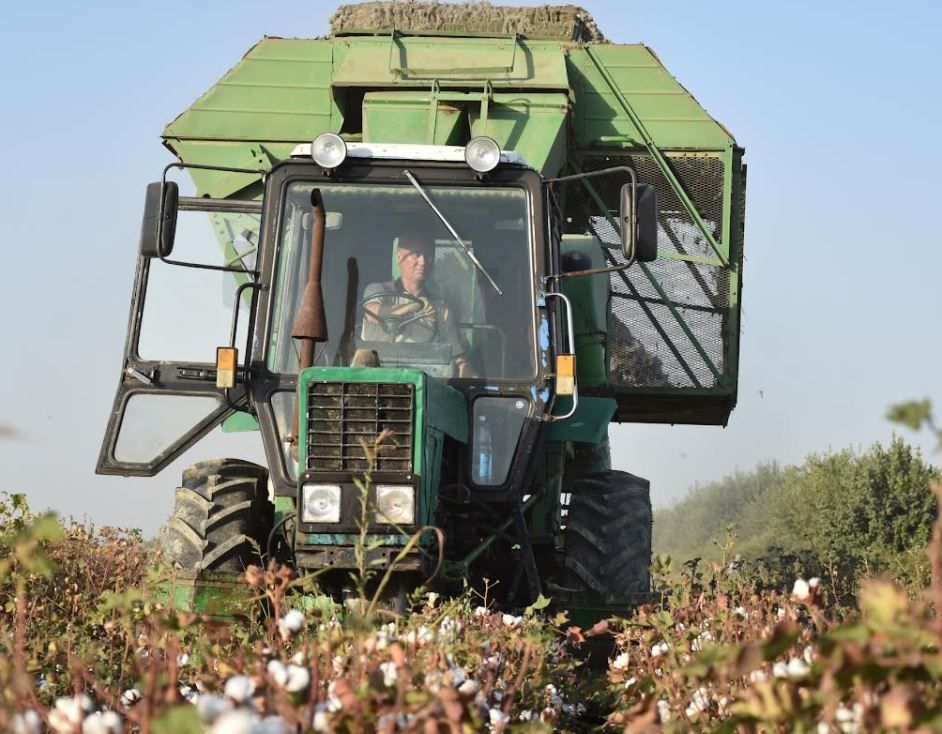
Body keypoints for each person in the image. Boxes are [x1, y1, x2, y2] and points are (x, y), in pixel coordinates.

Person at [360, 232, 475, 377]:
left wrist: (468, 372)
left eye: (428, 256)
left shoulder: (439, 308)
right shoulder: (379, 291)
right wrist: (412, 306)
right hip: (376, 378)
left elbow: (457, 356)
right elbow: (373, 314)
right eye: (416, 254)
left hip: (423, 382)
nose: (423, 262)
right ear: (399, 257)